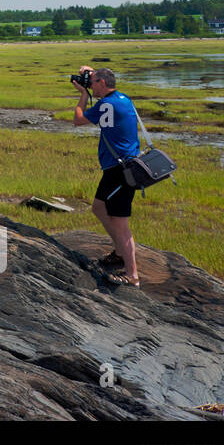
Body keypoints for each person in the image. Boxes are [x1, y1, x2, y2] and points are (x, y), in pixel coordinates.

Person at [72, 66, 141, 287]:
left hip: (121, 171)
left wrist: (83, 96)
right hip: (117, 168)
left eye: (92, 82)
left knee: (121, 224)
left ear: (102, 83)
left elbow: (78, 120)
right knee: (99, 207)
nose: (90, 85)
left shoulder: (106, 105)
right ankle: (120, 252)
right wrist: (91, 72)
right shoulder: (122, 98)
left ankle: (133, 276)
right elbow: (104, 77)